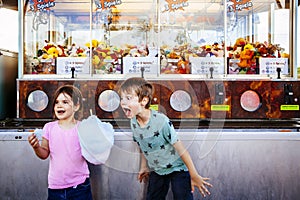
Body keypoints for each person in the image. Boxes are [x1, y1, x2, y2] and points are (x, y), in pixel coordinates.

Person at [119, 77, 212, 199]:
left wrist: (193, 175)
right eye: (122, 98)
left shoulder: (161, 121)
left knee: (182, 196)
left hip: (177, 168)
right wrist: (144, 166)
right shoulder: (134, 122)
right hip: (157, 169)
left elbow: (181, 149)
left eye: (128, 98)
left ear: (144, 101)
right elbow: (142, 144)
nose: (123, 102)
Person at [28, 85, 93, 200]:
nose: (59, 105)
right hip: (55, 187)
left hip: (80, 186)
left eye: (65, 102)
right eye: (57, 102)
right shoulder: (49, 128)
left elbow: (92, 153)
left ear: (76, 106)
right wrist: (36, 147)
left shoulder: (83, 128)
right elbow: (44, 154)